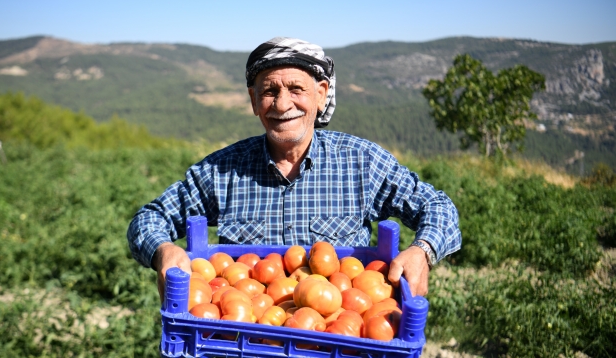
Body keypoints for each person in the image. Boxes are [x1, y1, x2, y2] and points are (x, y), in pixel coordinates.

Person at [127, 37, 461, 303]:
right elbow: (149, 219)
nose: (283, 104)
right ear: (254, 100)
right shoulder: (222, 171)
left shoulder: (362, 163)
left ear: (321, 94)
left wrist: (423, 251)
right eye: (269, 91)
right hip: (247, 337)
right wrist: (164, 250)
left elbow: (438, 207)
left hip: (339, 341)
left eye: (296, 89)